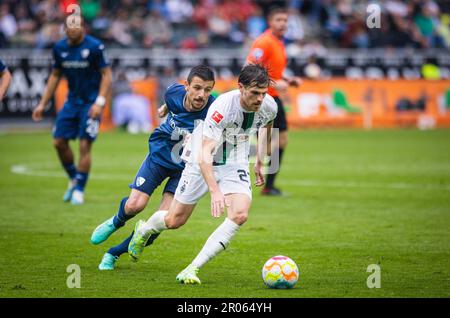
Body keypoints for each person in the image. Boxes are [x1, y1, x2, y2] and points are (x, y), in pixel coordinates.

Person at [128, 64, 277, 284]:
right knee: (174, 220)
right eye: (254, 93)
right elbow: (205, 153)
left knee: (240, 214)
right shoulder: (222, 108)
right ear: (241, 88)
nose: (259, 99)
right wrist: (215, 191)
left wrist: (260, 161)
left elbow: (268, 125)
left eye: (263, 94)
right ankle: (145, 229)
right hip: (201, 159)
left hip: (234, 161)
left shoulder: (269, 105)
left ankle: (192, 269)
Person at [90, 65, 216, 270]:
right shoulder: (173, 92)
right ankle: (116, 221)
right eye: (197, 88)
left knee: (162, 220)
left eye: (207, 89)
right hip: (160, 154)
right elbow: (170, 101)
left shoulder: (214, 107)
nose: (201, 95)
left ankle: (113, 253)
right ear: (187, 86)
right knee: (134, 205)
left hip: (186, 168)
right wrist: (165, 108)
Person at [31, 15, 112, 205]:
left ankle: (79, 191)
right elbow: (55, 75)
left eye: (77, 26)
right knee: (59, 142)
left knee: (85, 145)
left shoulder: (95, 47)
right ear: (65, 29)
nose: (73, 29)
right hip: (71, 102)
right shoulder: (59, 48)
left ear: (83, 28)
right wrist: (43, 103)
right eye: (70, 26)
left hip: (91, 103)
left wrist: (100, 102)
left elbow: (107, 75)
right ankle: (74, 177)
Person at [246, 7, 301, 196]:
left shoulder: (279, 42)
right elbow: (250, 67)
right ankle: (265, 182)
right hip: (264, 98)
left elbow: (274, 70)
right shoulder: (265, 42)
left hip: (274, 97)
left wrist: (287, 80)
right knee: (273, 141)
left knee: (280, 141)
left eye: (285, 20)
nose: (283, 23)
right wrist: (274, 84)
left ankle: (268, 185)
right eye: (279, 20)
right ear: (270, 22)